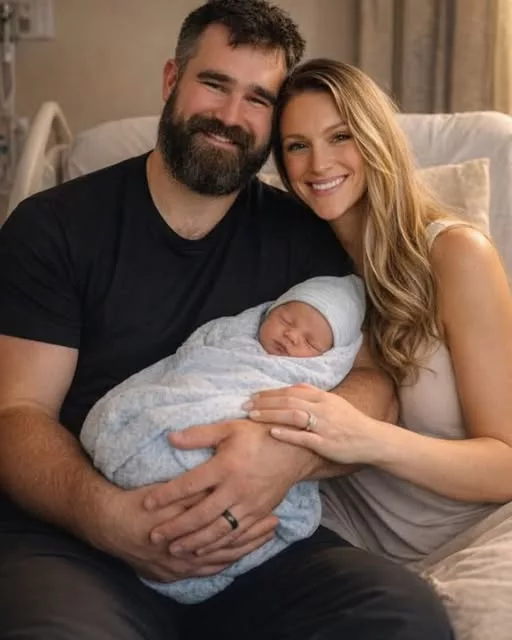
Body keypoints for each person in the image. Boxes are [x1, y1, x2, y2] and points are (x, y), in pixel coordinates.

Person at [0, 1, 453, 638]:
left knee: (400, 614)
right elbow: (17, 413)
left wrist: (287, 458)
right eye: (215, 84)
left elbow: (373, 381)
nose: (232, 117)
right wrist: (106, 517)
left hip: (257, 539)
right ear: (171, 80)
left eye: (258, 99)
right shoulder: (55, 228)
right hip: (84, 544)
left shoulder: (305, 236)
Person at [246, 57, 512, 569]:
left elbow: (506, 463)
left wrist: (366, 438)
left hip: (464, 537)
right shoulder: (300, 270)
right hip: (332, 531)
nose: (319, 164)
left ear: (376, 139)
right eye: (298, 146)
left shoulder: (456, 254)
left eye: (340, 136)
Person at [80, 275, 366, 603]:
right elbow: (188, 367)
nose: (291, 335)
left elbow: (351, 407)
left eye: (311, 343)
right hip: (169, 429)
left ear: (327, 359)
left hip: (255, 460)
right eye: (287, 319)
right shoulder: (229, 341)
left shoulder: (310, 379)